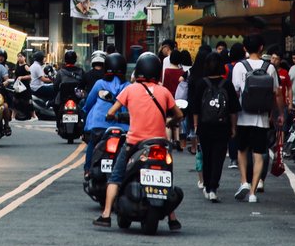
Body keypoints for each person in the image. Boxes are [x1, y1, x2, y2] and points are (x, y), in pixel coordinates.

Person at [93, 52, 184, 231]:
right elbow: (179, 115)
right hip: (160, 144)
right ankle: (172, 218)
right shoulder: (164, 91)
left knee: (115, 177)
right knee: (166, 178)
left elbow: (111, 112)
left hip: (134, 144)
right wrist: (170, 122)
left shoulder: (131, 89)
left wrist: (113, 116)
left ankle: (106, 214)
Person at [230, 34, 282, 203]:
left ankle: (243, 181)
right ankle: (253, 192)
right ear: (261, 48)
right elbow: (276, 93)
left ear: (245, 48)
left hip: (242, 116)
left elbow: (235, 92)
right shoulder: (270, 67)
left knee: (242, 151)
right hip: (262, 118)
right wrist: (279, 113)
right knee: (258, 154)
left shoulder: (239, 66)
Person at [191, 52, 239, 202]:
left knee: (207, 156)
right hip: (222, 126)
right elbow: (233, 109)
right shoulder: (227, 84)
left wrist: (196, 125)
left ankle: (206, 186)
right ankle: (213, 188)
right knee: (218, 158)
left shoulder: (201, 83)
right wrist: (233, 127)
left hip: (204, 126)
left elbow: (195, 108)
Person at [82, 52, 128, 175]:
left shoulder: (100, 84)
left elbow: (89, 103)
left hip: (99, 126)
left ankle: (88, 170)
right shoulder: (128, 86)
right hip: (123, 127)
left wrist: (85, 111)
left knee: (92, 143)